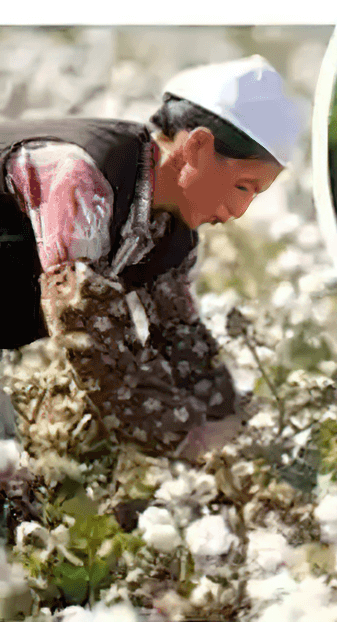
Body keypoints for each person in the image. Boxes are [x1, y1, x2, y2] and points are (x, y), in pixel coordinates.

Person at [0, 55, 302, 462]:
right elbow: (87, 331)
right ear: (197, 147)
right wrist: (186, 440)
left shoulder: (170, 232)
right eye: (243, 187)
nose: (238, 211)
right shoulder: (78, 172)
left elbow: (181, 338)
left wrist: (230, 422)